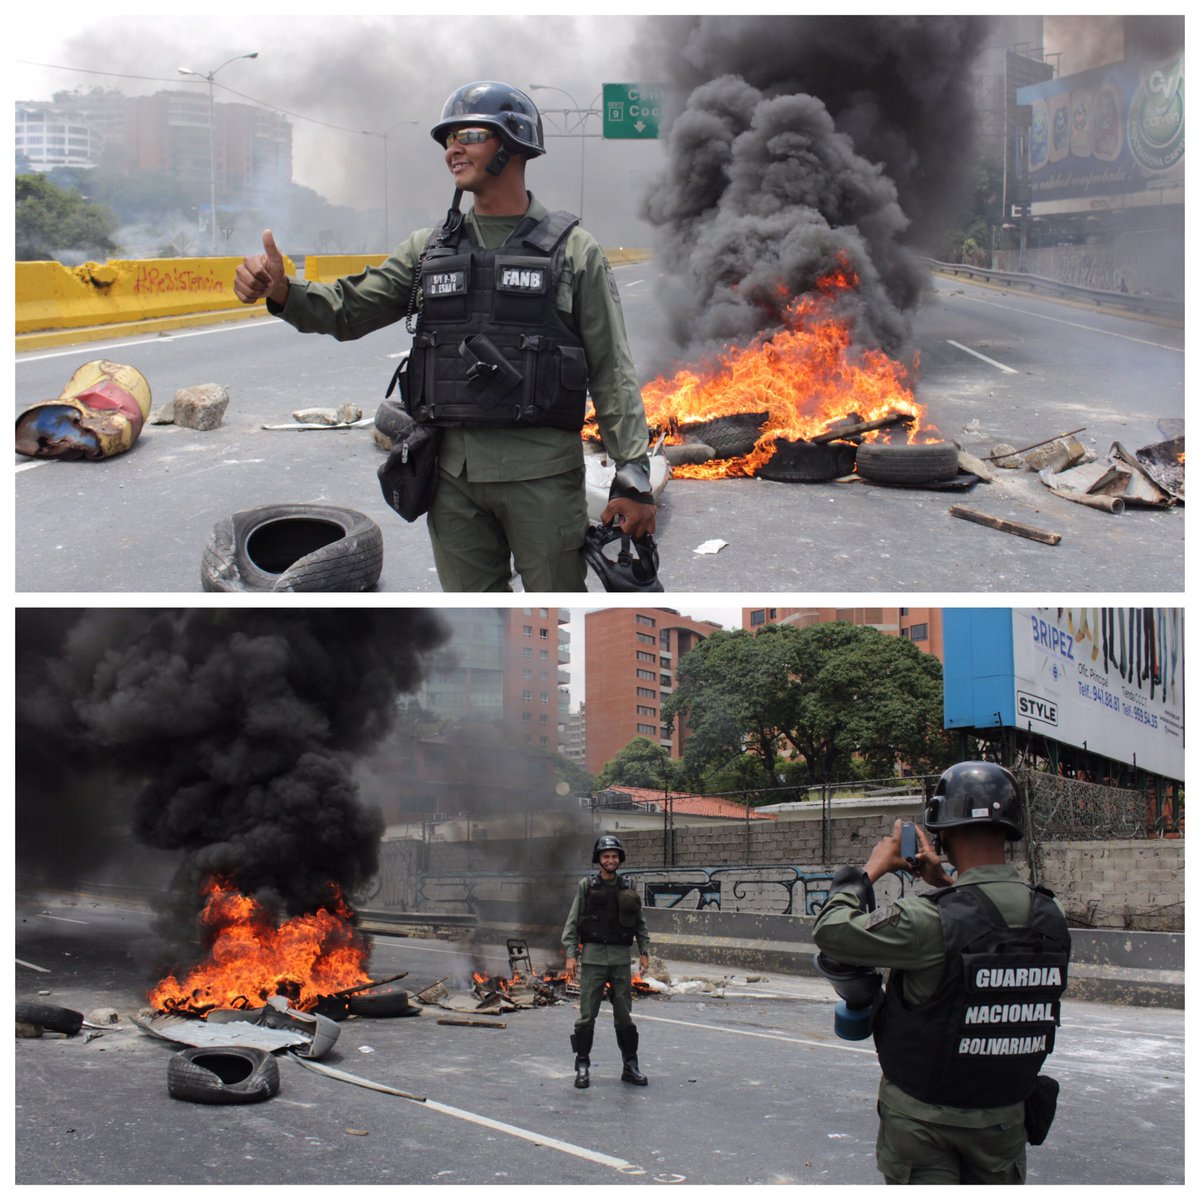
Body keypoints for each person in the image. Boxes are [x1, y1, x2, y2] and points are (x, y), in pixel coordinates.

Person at [233, 80, 655, 592]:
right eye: (447, 138)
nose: (453, 148)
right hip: (452, 481)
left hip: (541, 479)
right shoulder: (429, 249)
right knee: (480, 620)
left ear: (515, 143)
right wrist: (284, 292)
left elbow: (612, 369)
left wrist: (633, 475)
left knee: (557, 609)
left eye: (471, 134)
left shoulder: (574, 251)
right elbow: (349, 310)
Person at [812, 761, 1071, 1185]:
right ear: (1009, 830)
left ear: (944, 834)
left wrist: (870, 869)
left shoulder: (926, 919)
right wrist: (949, 882)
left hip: (923, 1122)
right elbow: (988, 926)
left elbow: (832, 932)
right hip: (1003, 1122)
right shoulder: (1050, 913)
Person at [561, 834, 650, 1088]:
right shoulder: (586, 886)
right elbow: (573, 921)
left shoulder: (628, 886)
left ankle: (630, 1066)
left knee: (624, 1015)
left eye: (614, 856)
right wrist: (571, 954)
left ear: (620, 859)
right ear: (599, 859)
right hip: (593, 959)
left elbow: (639, 922)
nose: (610, 860)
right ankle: (582, 1065)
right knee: (587, 1015)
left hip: (621, 959)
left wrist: (644, 950)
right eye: (605, 856)